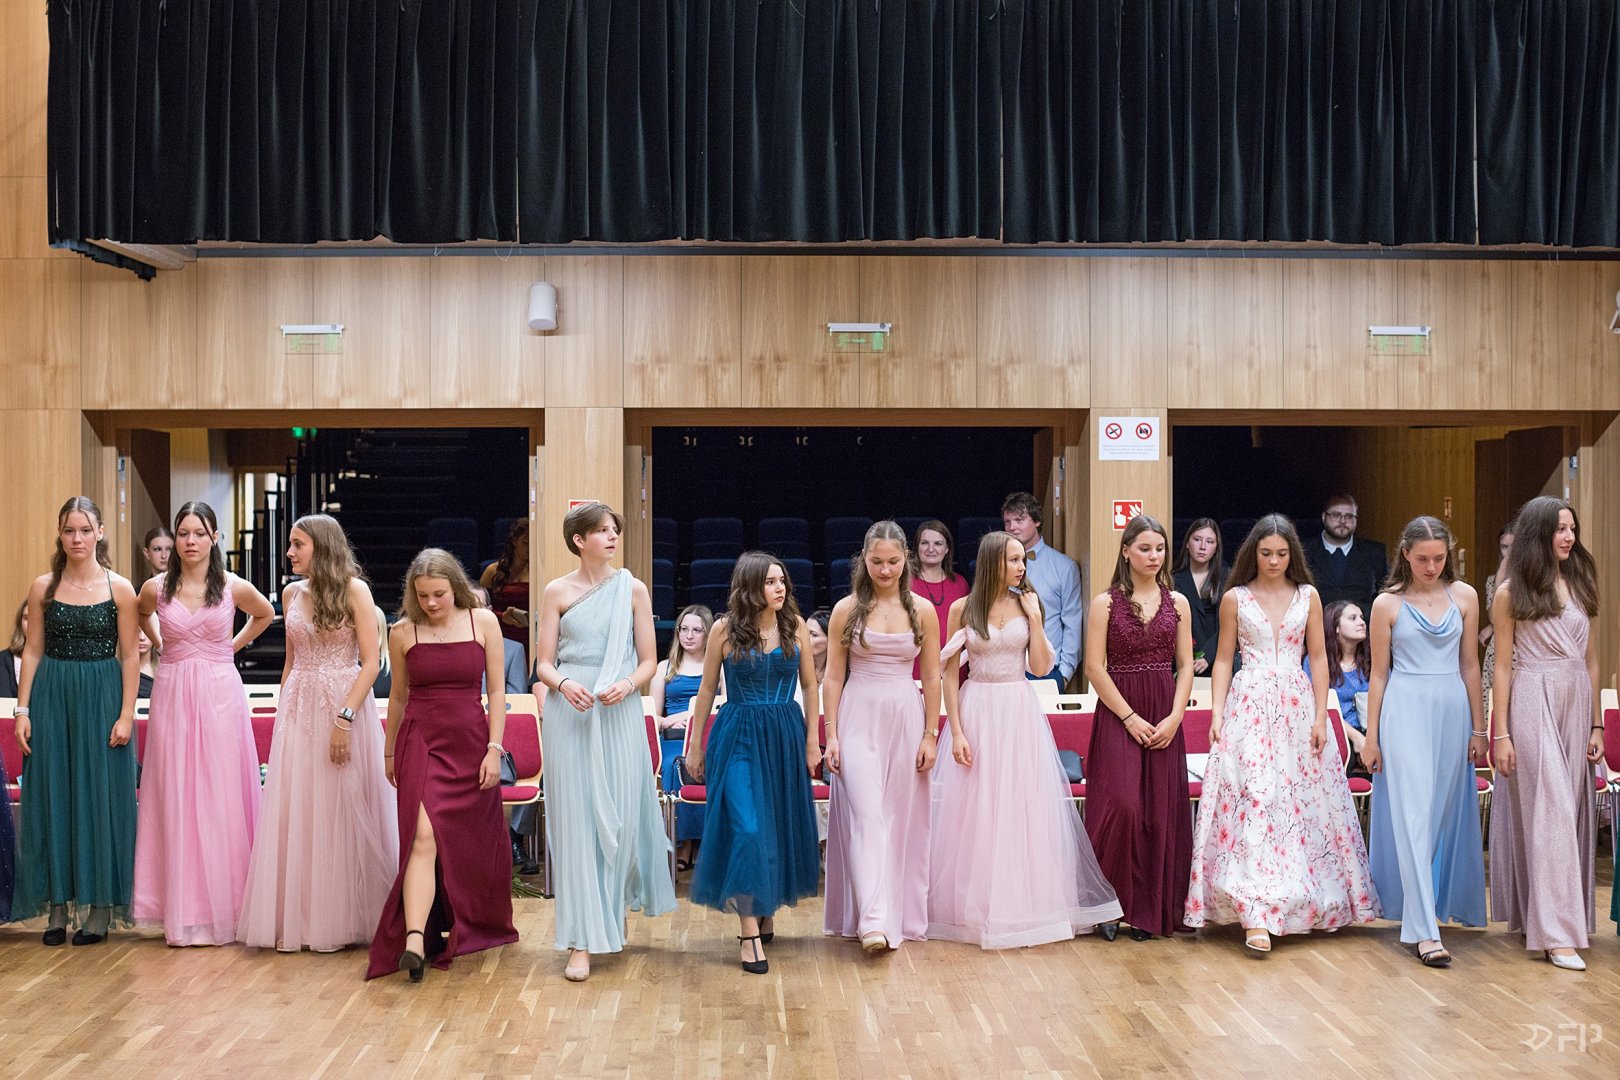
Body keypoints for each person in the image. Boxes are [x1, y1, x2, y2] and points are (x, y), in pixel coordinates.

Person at [1185, 514, 1380, 955]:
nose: (1273, 561)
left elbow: (1319, 657)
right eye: (1266, 553)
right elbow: (1222, 659)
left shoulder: (1308, 595)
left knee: (1298, 803)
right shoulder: (1235, 598)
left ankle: (1300, 899)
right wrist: (1217, 713)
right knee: (1255, 798)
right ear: (1252, 553)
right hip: (1249, 704)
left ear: (1293, 555)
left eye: (1281, 553)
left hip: (1296, 704)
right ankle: (1254, 911)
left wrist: (1320, 715)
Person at [929, 531, 1122, 948]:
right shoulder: (964, 608)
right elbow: (949, 673)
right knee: (977, 808)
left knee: (1021, 805)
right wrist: (956, 730)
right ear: (993, 562)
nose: (1021, 567)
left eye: (1023, 560)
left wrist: (1035, 618)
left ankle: (1024, 906)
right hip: (977, 708)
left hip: (1018, 708)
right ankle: (976, 908)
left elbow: (1039, 666)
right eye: (1014, 560)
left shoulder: (1028, 603)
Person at [239, 514, 399, 953]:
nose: (289, 552)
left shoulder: (355, 590)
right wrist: (282, 711)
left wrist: (345, 718)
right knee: (300, 808)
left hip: (342, 704)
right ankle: (301, 918)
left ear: (322, 547)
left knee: (338, 806)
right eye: (291, 544)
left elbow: (371, 662)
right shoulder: (292, 593)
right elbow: (291, 662)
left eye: (298, 544)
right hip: (298, 706)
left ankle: (344, 917)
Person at [531, 501, 675, 982]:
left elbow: (649, 660)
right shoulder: (556, 591)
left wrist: (628, 685)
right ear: (579, 540)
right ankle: (581, 939)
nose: (612, 537)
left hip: (618, 711)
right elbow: (543, 663)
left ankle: (609, 914)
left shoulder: (633, 589)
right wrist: (563, 683)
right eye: (602, 531)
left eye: (615, 530)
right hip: (570, 712)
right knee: (576, 823)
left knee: (618, 818)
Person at [367, 549, 517, 981]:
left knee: (468, 844)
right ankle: (414, 939)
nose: (431, 603)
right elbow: (398, 697)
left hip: (471, 744)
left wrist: (494, 749)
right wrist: (389, 752)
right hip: (420, 742)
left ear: (456, 587)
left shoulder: (482, 622)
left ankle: (468, 922)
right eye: (423, 596)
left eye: (439, 594)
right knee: (422, 836)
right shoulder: (402, 631)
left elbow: (497, 693)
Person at [131, 501, 275, 946]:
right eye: (183, 533)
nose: (190, 541)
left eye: (199, 533)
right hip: (173, 689)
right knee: (176, 790)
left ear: (215, 537)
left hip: (219, 691)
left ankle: (228, 907)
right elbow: (140, 613)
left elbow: (266, 614)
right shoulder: (156, 587)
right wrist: (161, 642)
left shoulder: (232, 585)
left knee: (219, 791)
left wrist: (230, 646)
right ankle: (180, 907)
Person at [685, 552, 822, 975]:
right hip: (738, 733)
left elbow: (810, 685)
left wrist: (813, 740)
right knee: (746, 828)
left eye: (782, 581)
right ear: (750, 587)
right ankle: (748, 932)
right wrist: (695, 746)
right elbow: (707, 689)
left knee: (776, 827)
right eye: (770, 582)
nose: (780, 588)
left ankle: (765, 908)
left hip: (784, 733)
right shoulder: (724, 629)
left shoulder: (794, 625)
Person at [12, 496, 141, 946]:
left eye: (85, 530)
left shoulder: (120, 588)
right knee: (53, 795)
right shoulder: (43, 587)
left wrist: (126, 714)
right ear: (60, 535)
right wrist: (23, 710)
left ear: (100, 532)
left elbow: (130, 655)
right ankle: (57, 909)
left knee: (99, 800)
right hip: (52, 696)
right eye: (69, 530)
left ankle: (99, 910)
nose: (77, 538)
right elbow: (32, 651)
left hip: (103, 697)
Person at [1361, 516, 1487, 968]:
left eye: (1438, 558)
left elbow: (1470, 665)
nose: (1431, 567)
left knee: (1437, 817)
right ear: (1405, 556)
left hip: (1453, 709)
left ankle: (1423, 910)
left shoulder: (1466, 596)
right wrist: (1371, 736)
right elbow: (1379, 673)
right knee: (1413, 815)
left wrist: (1480, 728)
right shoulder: (1386, 604)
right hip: (1404, 709)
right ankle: (1424, 932)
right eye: (1422, 559)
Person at [1487, 496, 1602, 971]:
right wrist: (1501, 735)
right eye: (1559, 529)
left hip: (1576, 701)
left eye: (1572, 529)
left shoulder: (1580, 580)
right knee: (1550, 809)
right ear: (1539, 533)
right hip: (1533, 698)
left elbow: (1591, 661)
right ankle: (1555, 936)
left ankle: (1548, 917)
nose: (1569, 537)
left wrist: (1596, 722)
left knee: (1567, 813)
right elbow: (1503, 668)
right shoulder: (1509, 592)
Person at [822, 522, 941, 952]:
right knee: (868, 815)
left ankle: (894, 914)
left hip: (906, 717)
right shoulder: (846, 609)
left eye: (892, 562)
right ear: (864, 560)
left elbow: (933, 676)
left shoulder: (923, 610)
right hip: (857, 716)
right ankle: (871, 920)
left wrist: (931, 735)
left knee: (899, 819)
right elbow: (833, 677)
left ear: (905, 559)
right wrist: (831, 734)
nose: (885, 570)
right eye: (877, 562)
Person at [1082, 515, 1195, 940]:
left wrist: (1176, 716)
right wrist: (1129, 717)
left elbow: (1185, 665)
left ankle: (1148, 910)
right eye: (1145, 548)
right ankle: (1108, 905)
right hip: (1119, 711)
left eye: (1160, 549)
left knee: (1158, 814)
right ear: (1126, 551)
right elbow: (1094, 667)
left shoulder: (1178, 602)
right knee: (1122, 806)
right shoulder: (1105, 603)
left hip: (1164, 710)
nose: (1153, 556)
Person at [650, 604, 718, 872]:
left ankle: (710, 844)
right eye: (684, 629)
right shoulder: (664, 668)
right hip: (674, 738)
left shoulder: (719, 667)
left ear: (708, 634)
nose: (689, 636)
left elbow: (724, 706)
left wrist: (690, 716)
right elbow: (653, 716)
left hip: (707, 738)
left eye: (697, 630)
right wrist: (668, 720)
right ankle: (683, 843)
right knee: (673, 765)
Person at [1001, 492, 1083, 690]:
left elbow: (1072, 623)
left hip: (1047, 673)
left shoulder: (1064, 567)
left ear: (1037, 521)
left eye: (1019, 520)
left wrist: (1064, 674)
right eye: (1007, 521)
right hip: (1005, 670)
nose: (1012, 527)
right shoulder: (998, 567)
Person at [1304, 494, 1388, 615]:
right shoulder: (1304, 550)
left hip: (1363, 623)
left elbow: (1386, 594)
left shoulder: (1375, 552)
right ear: (1323, 517)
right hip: (1315, 624)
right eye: (1336, 515)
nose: (1342, 521)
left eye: (1349, 516)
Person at [910, 520, 970, 680]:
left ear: (947, 548)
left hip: (954, 671)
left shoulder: (961, 584)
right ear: (917, 547)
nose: (931, 549)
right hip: (915, 670)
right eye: (924, 543)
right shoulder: (904, 584)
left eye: (938, 543)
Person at [1313, 601, 1372, 763]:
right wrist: (1356, 737)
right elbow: (1316, 706)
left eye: (1362, 617)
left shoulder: (1374, 659)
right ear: (1336, 627)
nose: (1362, 622)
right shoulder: (1318, 663)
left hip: (1372, 733)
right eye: (1353, 618)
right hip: (1334, 733)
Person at [1171, 518, 1223, 676]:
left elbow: (1230, 625)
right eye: (1197, 539)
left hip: (1218, 658)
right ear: (1187, 543)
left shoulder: (1226, 577)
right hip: (1182, 660)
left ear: (1216, 547)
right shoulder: (1173, 579)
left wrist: (1208, 655)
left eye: (1209, 542)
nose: (1202, 547)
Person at [480, 519, 531, 664]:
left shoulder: (539, 573)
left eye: (533, 543)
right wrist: (502, 617)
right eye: (525, 543)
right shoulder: (492, 571)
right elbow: (479, 608)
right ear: (514, 541)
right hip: (500, 633)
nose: (529, 548)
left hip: (530, 636)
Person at [1480, 523, 1514, 709]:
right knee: (1494, 706)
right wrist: (1500, 579)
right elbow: (1495, 617)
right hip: (1498, 650)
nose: (1509, 552)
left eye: (1514, 546)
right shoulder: (1493, 581)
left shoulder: (1532, 579)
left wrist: (1492, 627)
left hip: (1524, 651)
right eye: (1504, 547)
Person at [1, 600, 26, 697]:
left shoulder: (55, 661)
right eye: (27, 618)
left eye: (38, 618)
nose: (33, 623)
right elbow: (4, 700)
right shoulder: (3, 659)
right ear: (20, 623)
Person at [806, 609, 831, 685]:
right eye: (804, 632)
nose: (805, 638)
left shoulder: (840, 675)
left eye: (814, 635)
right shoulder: (793, 668)